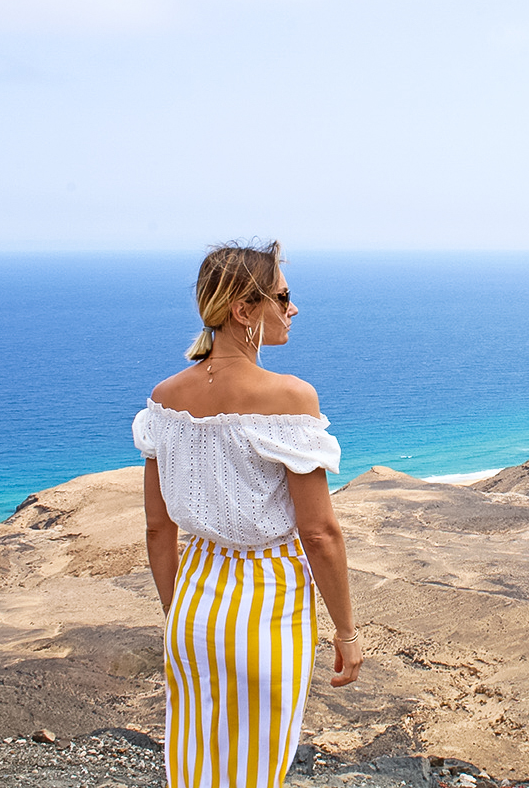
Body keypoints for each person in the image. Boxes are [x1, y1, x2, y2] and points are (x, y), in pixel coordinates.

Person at [133, 241, 362, 788]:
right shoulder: (288, 398)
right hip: (268, 600)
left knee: (195, 763)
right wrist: (347, 632)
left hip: (193, 605)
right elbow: (320, 532)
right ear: (243, 310)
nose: (293, 308)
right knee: (258, 767)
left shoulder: (165, 397)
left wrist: (177, 614)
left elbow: (157, 527)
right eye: (283, 297)